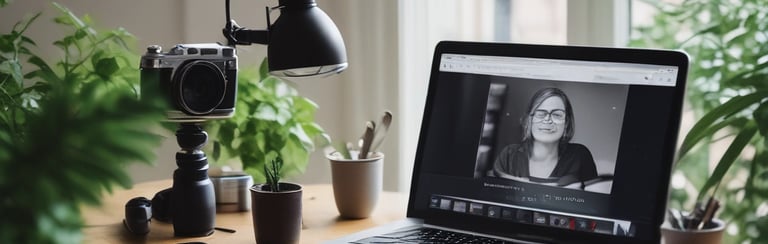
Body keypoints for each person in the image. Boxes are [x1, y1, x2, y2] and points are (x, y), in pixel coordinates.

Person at [492, 87, 598, 187]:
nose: (547, 119)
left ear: (566, 123)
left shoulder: (580, 155)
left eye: (557, 114)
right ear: (530, 120)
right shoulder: (509, 155)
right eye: (540, 114)